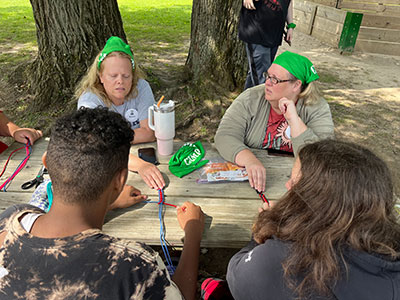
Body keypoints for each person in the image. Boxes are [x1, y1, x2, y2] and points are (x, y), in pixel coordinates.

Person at [0, 107, 204, 300]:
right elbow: (182, 296)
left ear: (45, 162)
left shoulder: (10, 219)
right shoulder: (134, 266)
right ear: (120, 180)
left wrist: (109, 203)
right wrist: (193, 233)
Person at [227, 140, 400, 300]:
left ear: (317, 201)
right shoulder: (390, 255)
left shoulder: (278, 261)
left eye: (294, 181)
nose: (288, 186)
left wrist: (265, 229)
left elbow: (237, 277)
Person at [214, 51, 334, 192]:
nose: (267, 83)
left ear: (296, 85)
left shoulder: (317, 107)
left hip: (298, 185)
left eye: (275, 79)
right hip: (253, 183)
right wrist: (249, 160)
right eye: (268, 76)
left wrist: (294, 120)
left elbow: (323, 155)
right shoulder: (250, 98)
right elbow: (224, 136)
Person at [75, 36, 164, 190]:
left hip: (117, 158)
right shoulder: (89, 100)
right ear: (101, 77)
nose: (120, 81)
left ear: (133, 76)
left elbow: (149, 132)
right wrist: (140, 165)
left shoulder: (141, 87)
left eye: (126, 76)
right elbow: (94, 144)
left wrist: (110, 142)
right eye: (113, 76)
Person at [239, 0, 295, 89]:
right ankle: (264, 101)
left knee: (257, 73)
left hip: (274, 34)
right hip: (256, 31)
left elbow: (289, 2)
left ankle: (245, 101)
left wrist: (290, 26)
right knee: (262, 77)